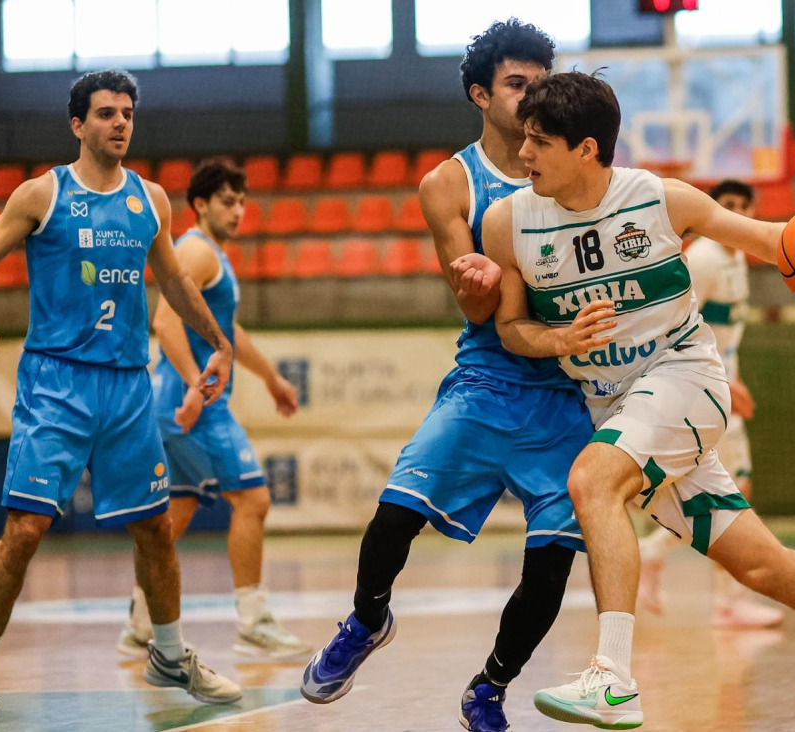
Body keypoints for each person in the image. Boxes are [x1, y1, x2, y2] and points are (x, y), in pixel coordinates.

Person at [460, 72, 795, 732]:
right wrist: (557, 338)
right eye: (523, 138)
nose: (522, 153)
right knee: (763, 567)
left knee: (591, 481)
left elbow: (774, 239)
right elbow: (510, 329)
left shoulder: (661, 201)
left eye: (539, 141)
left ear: (587, 149)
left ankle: (612, 679)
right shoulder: (507, 223)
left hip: (686, 382)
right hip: (619, 413)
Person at [300, 21, 593, 732]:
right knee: (395, 513)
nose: (531, 99)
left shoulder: (568, 169)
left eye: (539, 85)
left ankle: (489, 688)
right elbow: (475, 305)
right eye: (517, 85)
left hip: (568, 389)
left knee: (552, 565)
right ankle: (368, 620)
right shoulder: (449, 183)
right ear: (479, 93)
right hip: (490, 377)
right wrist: (481, 279)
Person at [0, 70, 241, 722]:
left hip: (128, 387)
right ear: (77, 124)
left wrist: (220, 341)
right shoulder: (42, 194)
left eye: (128, 113)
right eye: (106, 112)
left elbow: (173, 282)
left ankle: (168, 654)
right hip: (56, 385)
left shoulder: (152, 200)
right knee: (25, 530)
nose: (119, 123)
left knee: (155, 530)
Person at [115, 158, 309, 661]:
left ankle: (140, 624)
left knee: (172, 518)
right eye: (227, 200)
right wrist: (193, 388)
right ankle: (253, 622)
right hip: (194, 405)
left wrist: (270, 378)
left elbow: (226, 332)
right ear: (199, 205)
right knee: (253, 501)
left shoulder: (210, 257)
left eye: (243, 201)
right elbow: (166, 321)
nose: (238, 210)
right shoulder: (198, 251)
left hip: (173, 404)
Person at [636, 178, 783, 629]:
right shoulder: (703, 256)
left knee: (735, 490)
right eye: (727, 205)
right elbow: (676, 322)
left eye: (743, 204)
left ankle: (656, 556)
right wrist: (724, 381)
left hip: (723, 384)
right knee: (733, 493)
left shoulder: (738, 259)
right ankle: (726, 603)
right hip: (703, 387)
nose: (736, 210)